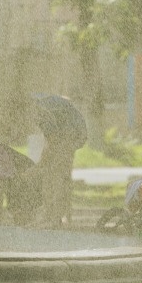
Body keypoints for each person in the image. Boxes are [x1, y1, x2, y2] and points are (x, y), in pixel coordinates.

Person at [32, 94, 87, 228]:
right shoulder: (49, 106)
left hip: (65, 143)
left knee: (55, 181)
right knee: (61, 180)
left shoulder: (43, 113)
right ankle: (62, 216)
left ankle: (53, 218)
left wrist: (40, 164)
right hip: (71, 141)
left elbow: (51, 141)